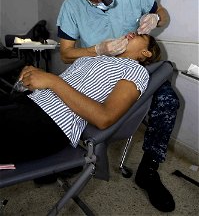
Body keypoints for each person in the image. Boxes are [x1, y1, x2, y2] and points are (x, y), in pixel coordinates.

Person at [56, 0, 179, 212]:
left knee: (168, 100)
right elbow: (66, 54)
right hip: (95, 70)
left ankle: (148, 170)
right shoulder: (71, 7)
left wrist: (157, 19)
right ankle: (53, 150)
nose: (105, 0)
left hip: (127, 71)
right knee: (62, 97)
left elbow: (162, 13)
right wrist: (96, 49)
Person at [0, 33, 160, 164]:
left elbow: (104, 118)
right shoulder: (98, 57)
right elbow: (69, 80)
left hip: (50, 121)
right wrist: (36, 76)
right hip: (29, 101)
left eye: (140, 35)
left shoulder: (136, 70)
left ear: (146, 53)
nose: (132, 32)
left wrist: (52, 80)